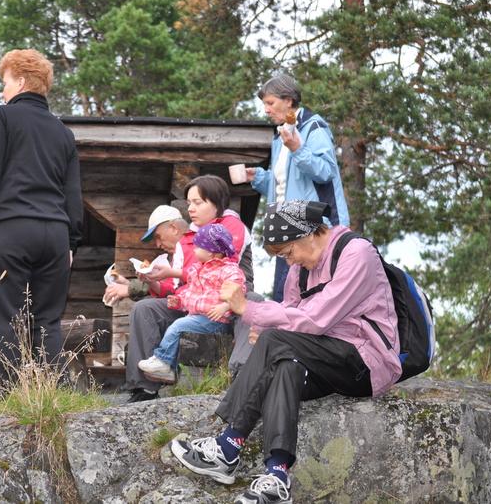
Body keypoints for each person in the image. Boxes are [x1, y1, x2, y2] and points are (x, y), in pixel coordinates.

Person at [169, 200, 400, 504]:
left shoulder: (356, 253)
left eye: (288, 253)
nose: (290, 262)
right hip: (322, 359)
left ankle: (229, 443)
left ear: (309, 234)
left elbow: (316, 319)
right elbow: (289, 312)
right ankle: (277, 476)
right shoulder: (300, 268)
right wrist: (262, 326)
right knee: (285, 364)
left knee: (277, 342)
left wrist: (250, 311)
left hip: (365, 361)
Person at [0, 49, 83, 371]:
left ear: (22, 82)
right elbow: (73, 192)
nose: (3, 91)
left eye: (6, 82)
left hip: (11, 228)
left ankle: (15, 394)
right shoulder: (64, 133)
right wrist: (71, 242)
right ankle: (51, 392)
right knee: (49, 321)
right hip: (55, 233)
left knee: (9, 319)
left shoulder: (2, 117)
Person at [125, 175, 253, 402]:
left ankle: (241, 378)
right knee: (144, 309)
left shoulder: (231, 225)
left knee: (254, 301)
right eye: (189, 203)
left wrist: (173, 273)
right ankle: (144, 387)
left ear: (216, 202)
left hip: (226, 303)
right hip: (195, 302)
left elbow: (221, 266)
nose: (191, 209)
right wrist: (156, 282)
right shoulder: (189, 236)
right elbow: (182, 284)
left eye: (197, 202)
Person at [247, 74, 349, 302]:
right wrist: (259, 178)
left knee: (314, 296)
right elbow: (286, 186)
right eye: (264, 104)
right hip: (286, 228)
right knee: (285, 296)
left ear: (289, 101)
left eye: (270, 103)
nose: (266, 110)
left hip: (317, 229)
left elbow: (325, 171)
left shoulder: (313, 127)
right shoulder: (280, 136)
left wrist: (297, 149)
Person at [137, 223, 246, 383]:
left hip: (217, 320)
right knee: (179, 326)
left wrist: (225, 306)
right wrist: (179, 301)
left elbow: (238, 291)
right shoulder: (197, 270)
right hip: (200, 318)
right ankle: (169, 369)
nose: (194, 250)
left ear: (211, 251)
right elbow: (191, 293)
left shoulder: (229, 270)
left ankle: (163, 361)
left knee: (178, 326)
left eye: (198, 247)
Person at [102, 205, 190, 305]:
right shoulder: (174, 259)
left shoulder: (195, 247)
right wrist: (139, 283)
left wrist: (131, 288)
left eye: (158, 236)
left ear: (174, 228)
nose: (158, 245)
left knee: (144, 306)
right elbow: (170, 290)